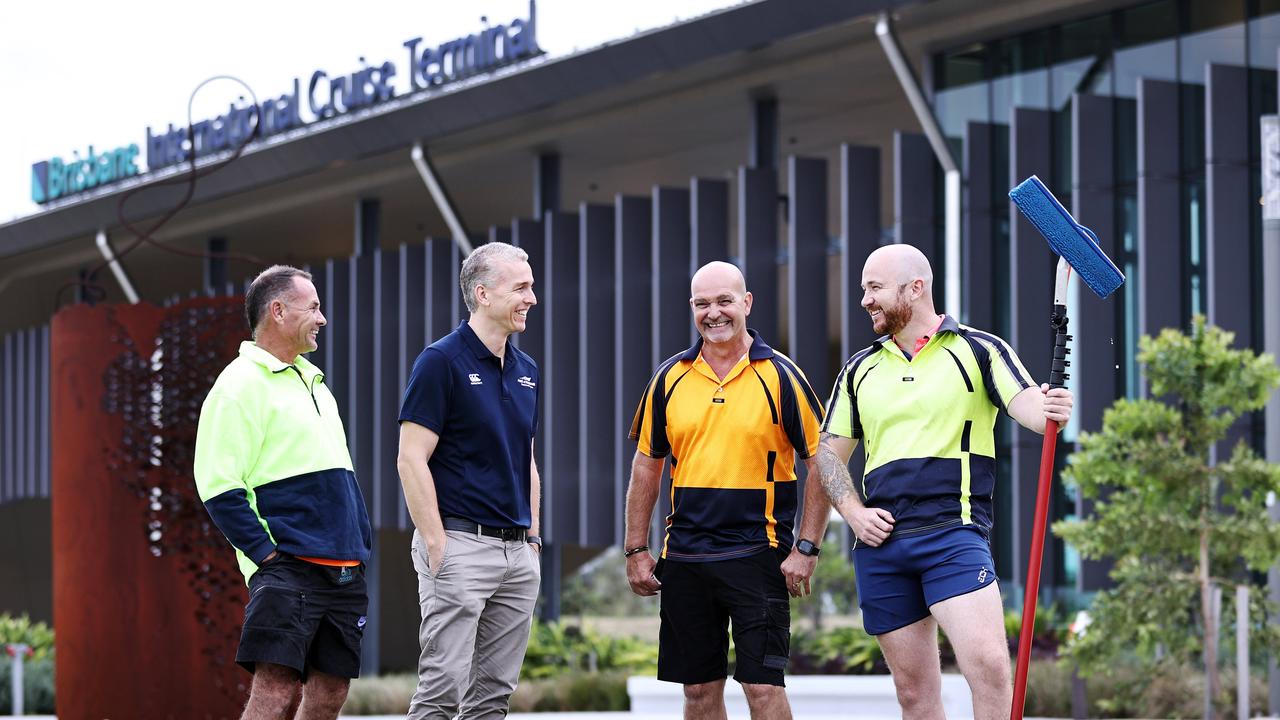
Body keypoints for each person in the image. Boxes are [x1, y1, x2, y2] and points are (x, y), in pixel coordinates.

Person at [813, 244, 1073, 720]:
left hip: (954, 534)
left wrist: (1051, 406)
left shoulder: (979, 349)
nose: (865, 300)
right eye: (863, 289)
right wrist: (852, 513)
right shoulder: (858, 369)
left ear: (916, 288)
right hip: (884, 546)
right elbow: (828, 454)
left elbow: (1031, 410)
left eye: (874, 288)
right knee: (914, 696)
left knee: (990, 667)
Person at [624, 261, 830, 720]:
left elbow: (823, 462)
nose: (713, 313)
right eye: (702, 303)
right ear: (692, 308)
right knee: (697, 693)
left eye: (724, 301)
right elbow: (646, 465)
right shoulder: (669, 378)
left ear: (747, 303)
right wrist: (636, 548)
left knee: (763, 690)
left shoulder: (781, 376)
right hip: (686, 558)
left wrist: (808, 546)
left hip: (760, 554)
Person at [194, 264, 373, 720]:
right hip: (289, 567)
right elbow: (218, 485)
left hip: (344, 568)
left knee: (331, 694)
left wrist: (358, 542)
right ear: (277, 310)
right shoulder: (237, 386)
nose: (322, 318)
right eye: (313, 306)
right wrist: (268, 555)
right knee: (274, 692)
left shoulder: (315, 382)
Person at [397, 241, 543, 719]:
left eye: (532, 287)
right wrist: (438, 545)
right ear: (482, 293)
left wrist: (534, 541)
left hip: (517, 554)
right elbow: (410, 459)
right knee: (441, 692)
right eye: (521, 288)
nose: (531, 299)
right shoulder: (440, 361)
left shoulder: (527, 372)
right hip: (460, 547)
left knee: (493, 699)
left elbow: (527, 459)